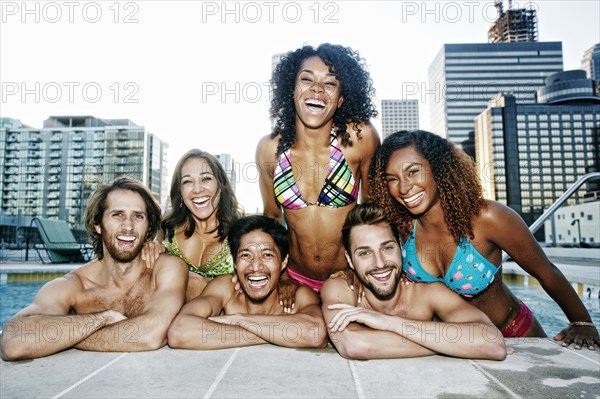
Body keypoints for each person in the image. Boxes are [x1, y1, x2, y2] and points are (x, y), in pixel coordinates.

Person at [369, 130, 600, 349]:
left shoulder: (489, 218)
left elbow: (546, 272)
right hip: (452, 344)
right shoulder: (404, 227)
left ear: (438, 169)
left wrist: (582, 322)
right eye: (392, 179)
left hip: (513, 336)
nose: (404, 187)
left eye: (412, 172)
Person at [0, 177, 188, 361]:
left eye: (138, 216)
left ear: (148, 228)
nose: (128, 226)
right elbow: (14, 342)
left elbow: (150, 335)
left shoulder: (166, 269)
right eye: (117, 214)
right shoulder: (74, 286)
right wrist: (103, 318)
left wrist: (66, 337)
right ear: (97, 225)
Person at [256, 43, 380, 295]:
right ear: (292, 90)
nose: (317, 89)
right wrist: (279, 275)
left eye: (330, 84)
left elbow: (373, 212)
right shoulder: (270, 150)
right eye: (307, 79)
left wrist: (359, 266)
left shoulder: (360, 138)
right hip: (294, 278)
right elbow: (272, 219)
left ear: (341, 98)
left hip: (347, 277)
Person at [321, 202, 507, 360]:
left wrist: (387, 322)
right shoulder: (340, 288)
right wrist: (451, 344)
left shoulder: (427, 291)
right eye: (364, 253)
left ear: (401, 247)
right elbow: (354, 345)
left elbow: (492, 343)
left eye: (387, 248)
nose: (379, 263)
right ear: (349, 259)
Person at [167, 215, 327, 349]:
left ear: (283, 262)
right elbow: (179, 331)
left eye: (267, 255)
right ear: (235, 262)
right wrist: (276, 334)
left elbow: (315, 334)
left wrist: (238, 320)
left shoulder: (297, 296)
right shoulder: (226, 287)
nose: (256, 266)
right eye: (245, 255)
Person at [161, 149, 244, 301]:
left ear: (221, 184)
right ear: (179, 190)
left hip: (222, 321)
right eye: (187, 181)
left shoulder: (242, 232)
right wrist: (151, 248)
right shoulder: (168, 224)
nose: (197, 189)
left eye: (206, 179)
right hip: (172, 318)